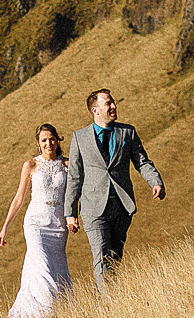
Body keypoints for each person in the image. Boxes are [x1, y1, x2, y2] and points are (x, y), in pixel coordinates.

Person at [64, 88, 165, 289]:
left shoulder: (127, 132)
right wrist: (70, 213)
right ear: (95, 110)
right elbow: (74, 176)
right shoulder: (79, 137)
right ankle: (108, 303)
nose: (113, 106)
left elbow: (142, 162)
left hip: (121, 205)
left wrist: (156, 181)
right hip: (93, 208)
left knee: (115, 256)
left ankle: (114, 297)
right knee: (101, 255)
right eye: (108, 103)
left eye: (113, 103)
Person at [0, 123, 72, 318]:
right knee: (41, 265)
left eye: (52, 139)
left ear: (58, 140)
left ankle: (33, 316)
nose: (49, 143)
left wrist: (72, 216)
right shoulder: (31, 165)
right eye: (44, 140)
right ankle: (46, 310)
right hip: (36, 223)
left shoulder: (67, 164)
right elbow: (19, 198)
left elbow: (75, 193)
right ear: (38, 144)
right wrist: (5, 227)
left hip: (58, 225)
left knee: (56, 268)